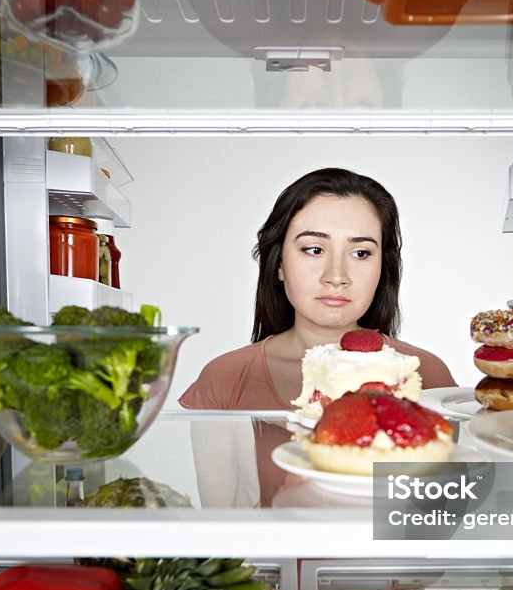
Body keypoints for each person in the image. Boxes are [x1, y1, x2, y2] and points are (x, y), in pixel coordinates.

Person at [179, 167, 456, 410]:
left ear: (382, 268)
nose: (336, 276)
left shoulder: (427, 376)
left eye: (360, 253)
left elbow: (452, 472)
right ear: (279, 265)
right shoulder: (226, 378)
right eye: (314, 249)